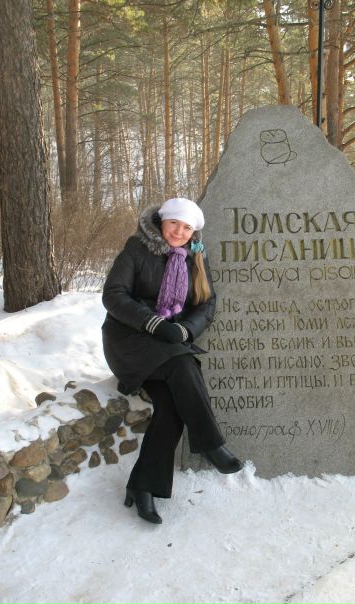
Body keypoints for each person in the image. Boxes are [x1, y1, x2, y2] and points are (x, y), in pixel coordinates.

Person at [102, 197, 243, 524]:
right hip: (130, 341)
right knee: (184, 364)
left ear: (194, 232)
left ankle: (143, 487)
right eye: (174, 224)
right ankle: (210, 443)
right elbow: (113, 295)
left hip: (168, 344)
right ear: (161, 222)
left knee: (170, 407)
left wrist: (186, 329)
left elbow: (207, 303)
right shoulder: (137, 249)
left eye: (187, 227)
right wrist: (153, 323)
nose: (179, 232)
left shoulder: (196, 257)